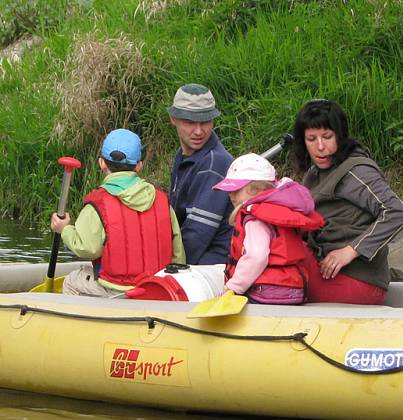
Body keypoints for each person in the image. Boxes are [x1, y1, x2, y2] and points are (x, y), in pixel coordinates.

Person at [292, 99, 403, 304]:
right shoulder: (313, 174)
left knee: (274, 246)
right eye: (311, 139)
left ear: (340, 135)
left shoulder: (355, 171)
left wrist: (351, 251)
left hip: (357, 281)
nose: (320, 146)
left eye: (327, 137)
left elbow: (397, 212)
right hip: (325, 269)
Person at [50, 128, 185, 296]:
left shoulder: (97, 204)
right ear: (139, 165)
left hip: (114, 290)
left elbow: (87, 248)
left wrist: (64, 229)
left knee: (72, 280)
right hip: (155, 289)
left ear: (101, 163)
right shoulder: (163, 202)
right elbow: (178, 254)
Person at [212, 153, 324, 304]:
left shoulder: (255, 218)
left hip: (266, 292)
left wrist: (233, 288)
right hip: (294, 289)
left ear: (255, 189)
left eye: (236, 189)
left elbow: (257, 256)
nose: (231, 194)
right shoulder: (282, 207)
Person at [168, 83, 234, 265]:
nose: (198, 131)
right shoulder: (182, 156)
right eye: (189, 122)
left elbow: (197, 235)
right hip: (196, 259)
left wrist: (169, 266)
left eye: (205, 122)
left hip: (213, 264)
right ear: (173, 118)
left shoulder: (214, 164)